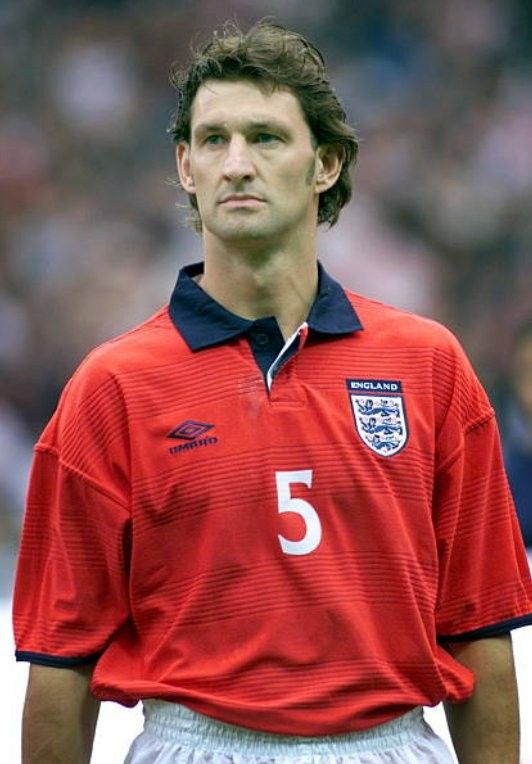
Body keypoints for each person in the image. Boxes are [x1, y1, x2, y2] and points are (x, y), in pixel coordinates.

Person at [13, 19, 532, 764]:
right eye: (213, 140)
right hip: (192, 743)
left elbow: (482, 627)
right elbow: (60, 658)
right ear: (185, 167)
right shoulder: (113, 386)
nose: (236, 164)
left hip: (386, 745)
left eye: (265, 138)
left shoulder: (428, 364)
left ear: (325, 163)